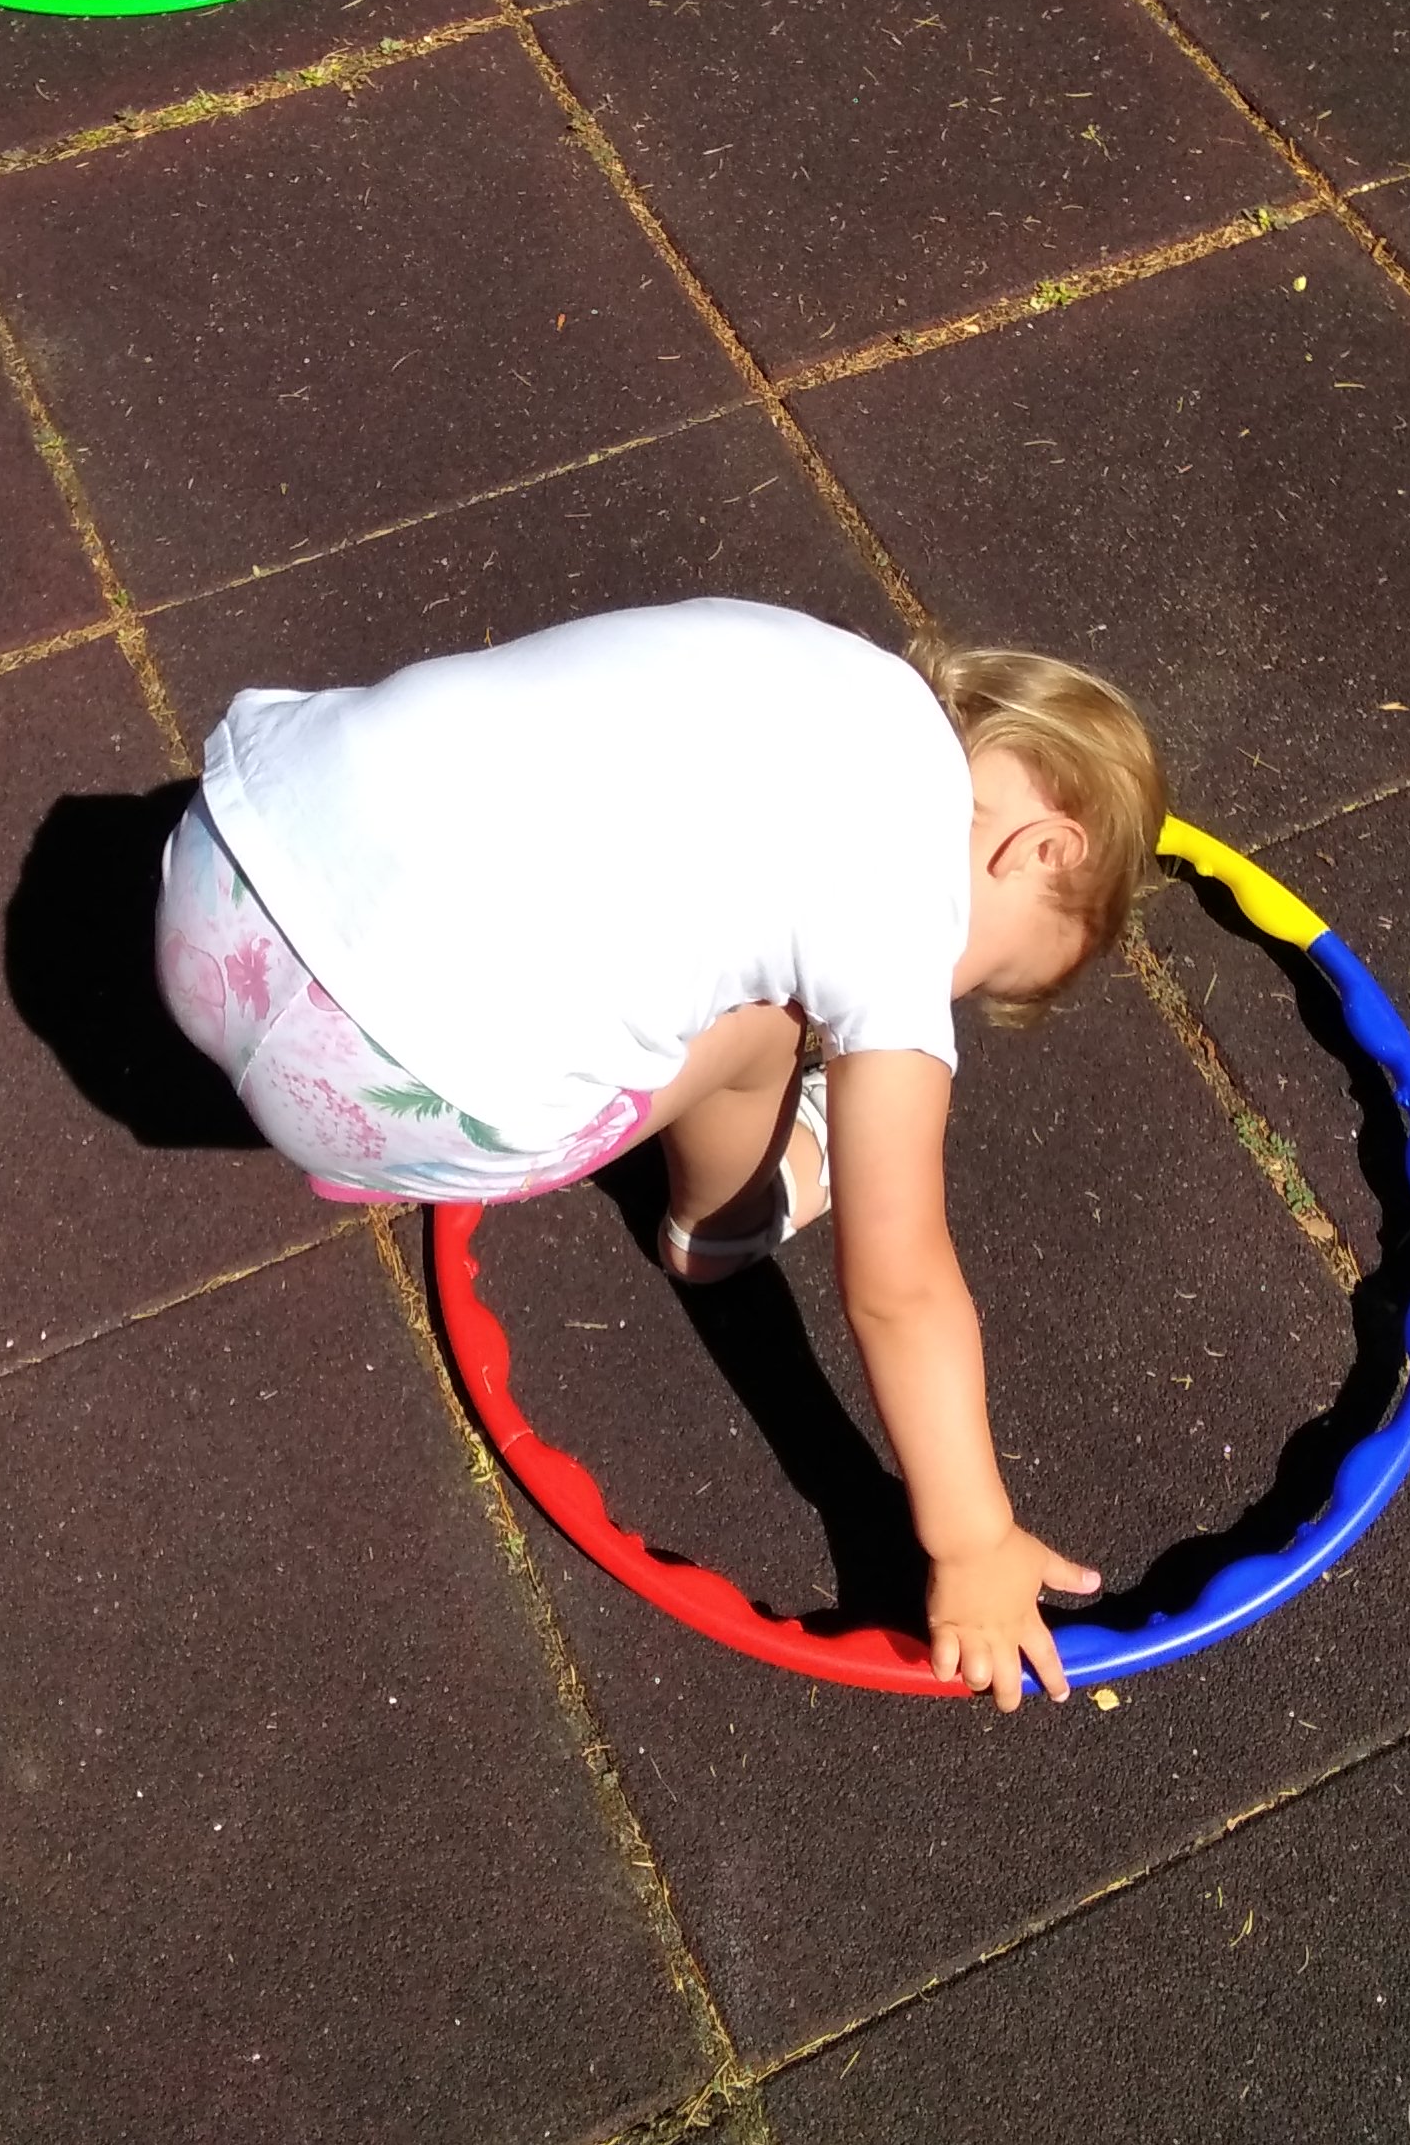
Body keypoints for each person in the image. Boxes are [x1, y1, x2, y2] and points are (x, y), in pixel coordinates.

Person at [157, 599, 1167, 1710]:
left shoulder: (840, 671)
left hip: (223, 860)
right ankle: (724, 1221)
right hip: (383, 1087)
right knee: (788, 1013)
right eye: (980, 979)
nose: (940, 994)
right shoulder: (907, 898)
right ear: (1042, 852)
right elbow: (901, 1285)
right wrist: (973, 1541)